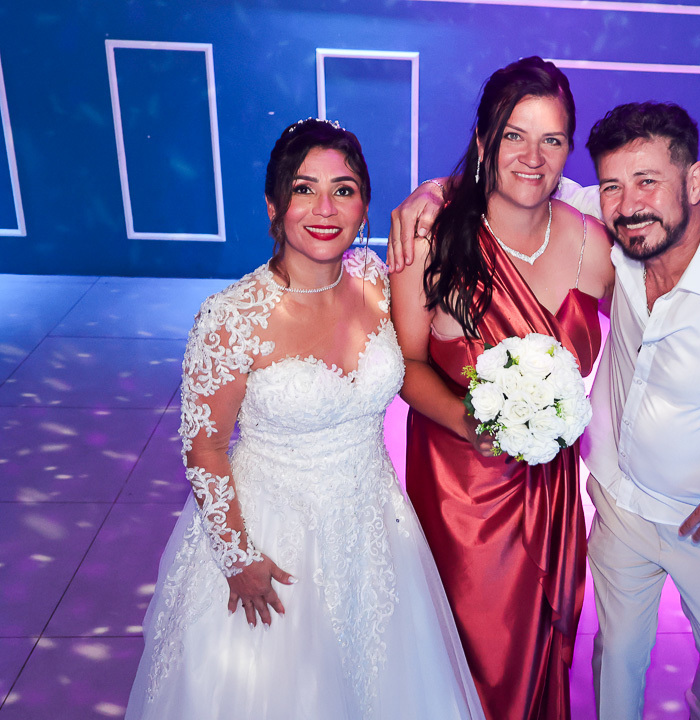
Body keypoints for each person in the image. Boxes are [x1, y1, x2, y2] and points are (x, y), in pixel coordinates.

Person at [391, 101, 700, 720]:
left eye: (648, 181)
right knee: (616, 661)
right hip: (618, 505)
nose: (630, 204)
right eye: (612, 185)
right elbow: (519, 176)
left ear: (694, 180)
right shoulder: (616, 241)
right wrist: (430, 191)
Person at [125, 118, 484, 719]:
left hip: (374, 529)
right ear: (273, 205)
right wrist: (238, 558)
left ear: (365, 205)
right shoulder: (230, 317)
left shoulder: (378, 283)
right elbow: (205, 449)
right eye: (303, 189)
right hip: (272, 541)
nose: (325, 209)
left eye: (344, 190)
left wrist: (429, 190)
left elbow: (479, 201)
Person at [388, 57, 614, 720]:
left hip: (551, 492)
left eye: (552, 140)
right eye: (514, 135)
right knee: (466, 656)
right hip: (459, 492)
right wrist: (470, 423)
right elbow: (407, 364)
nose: (533, 158)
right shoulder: (431, 237)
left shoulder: (595, 245)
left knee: (538, 651)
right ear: (484, 141)